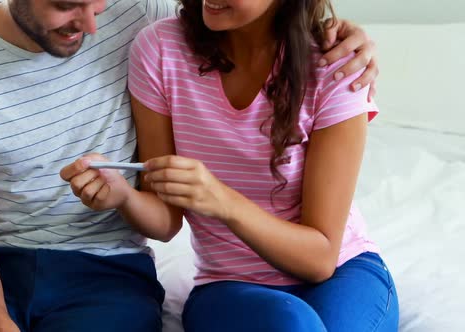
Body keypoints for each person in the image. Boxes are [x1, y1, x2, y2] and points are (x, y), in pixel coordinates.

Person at [0, 0, 380, 331]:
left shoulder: (143, 13)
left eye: (97, 3)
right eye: (65, 3)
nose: (91, 24)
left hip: (110, 271)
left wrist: (342, 32)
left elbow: (268, 22)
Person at [123, 0, 399, 331]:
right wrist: (121, 195)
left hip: (343, 272)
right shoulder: (160, 50)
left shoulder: (336, 65)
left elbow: (321, 259)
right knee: (291, 324)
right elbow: (165, 216)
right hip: (230, 285)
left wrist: (223, 202)